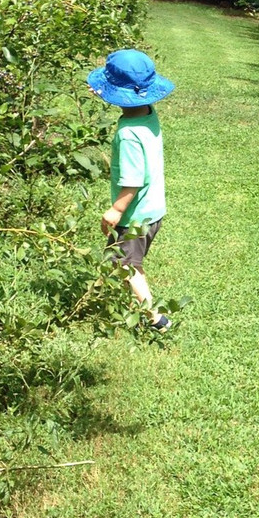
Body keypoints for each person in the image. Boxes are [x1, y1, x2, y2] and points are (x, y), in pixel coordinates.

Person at [88, 48, 175, 330]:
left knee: (123, 264)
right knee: (123, 260)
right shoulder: (148, 114)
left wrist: (116, 210)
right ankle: (99, 296)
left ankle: (156, 318)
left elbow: (133, 180)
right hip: (153, 212)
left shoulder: (127, 135)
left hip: (134, 218)